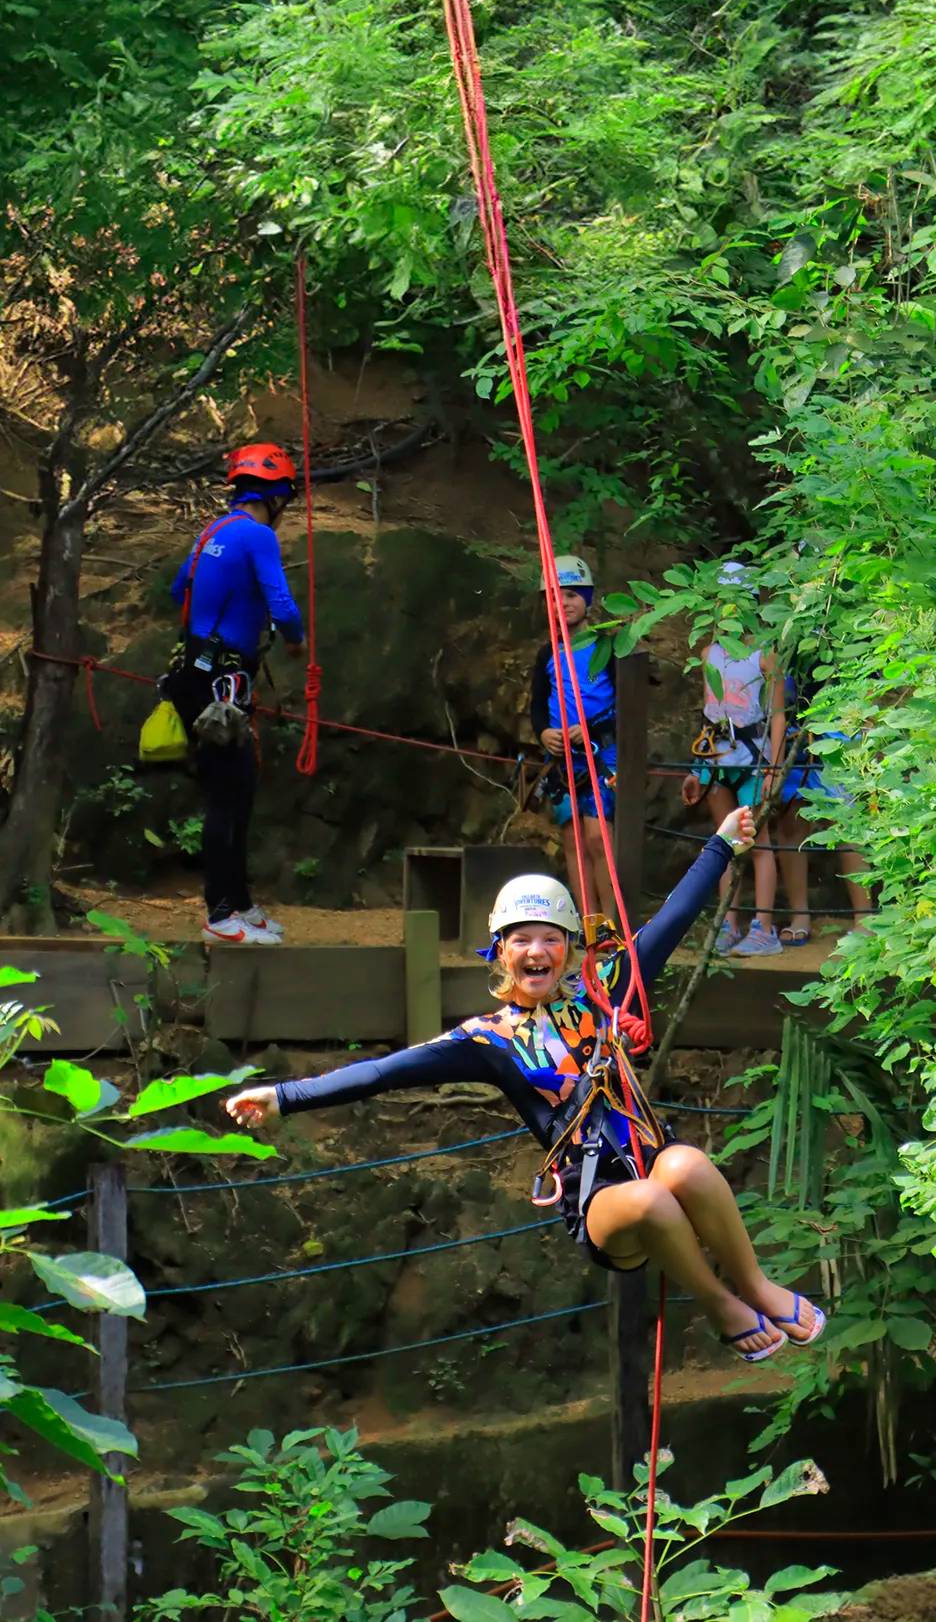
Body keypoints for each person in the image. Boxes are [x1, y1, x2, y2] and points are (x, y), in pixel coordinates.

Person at [226, 809, 826, 1363]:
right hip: (600, 1201)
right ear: (501, 953)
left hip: (652, 1157)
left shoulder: (604, 990)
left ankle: (755, 1286)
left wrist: (721, 843)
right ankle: (722, 1306)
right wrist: (285, 1097)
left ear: (568, 950)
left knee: (688, 1167)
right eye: (521, 939)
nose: (536, 951)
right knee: (649, 1200)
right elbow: (385, 1072)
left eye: (550, 939)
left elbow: (672, 920)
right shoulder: (488, 1040)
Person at [167, 443, 305, 946]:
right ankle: (220, 912)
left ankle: (240, 903)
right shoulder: (257, 535)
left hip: (195, 673)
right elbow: (283, 604)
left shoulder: (212, 532)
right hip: (224, 681)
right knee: (229, 795)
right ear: (276, 496)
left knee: (236, 790)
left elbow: (177, 589)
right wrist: (296, 641)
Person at [680, 563, 786, 957]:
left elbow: (777, 716)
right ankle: (728, 923)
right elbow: (709, 715)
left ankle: (764, 927)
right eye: (724, 601)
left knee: (759, 842)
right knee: (724, 841)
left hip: (754, 757)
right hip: (718, 758)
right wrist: (697, 770)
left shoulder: (764, 655)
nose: (730, 609)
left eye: (738, 600)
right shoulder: (709, 654)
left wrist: (774, 767)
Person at [530, 555, 616, 918]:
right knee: (573, 841)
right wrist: (543, 733)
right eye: (554, 596)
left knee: (600, 839)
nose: (563, 603)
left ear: (587, 599)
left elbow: (626, 701)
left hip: (601, 754)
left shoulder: (607, 647)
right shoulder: (548, 653)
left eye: (571, 595)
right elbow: (537, 703)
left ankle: (612, 924)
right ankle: (589, 923)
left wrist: (592, 729)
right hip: (563, 760)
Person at [775, 664, 872, 944]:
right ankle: (799, 915)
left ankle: (864, 918)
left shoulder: (850, 631)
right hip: (793, 728)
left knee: (846, 822)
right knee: (790, 818)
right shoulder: (787, 631)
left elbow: (869, 680)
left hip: (840, 729)